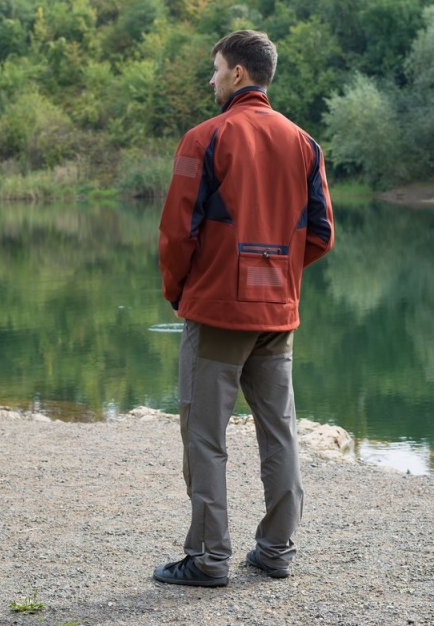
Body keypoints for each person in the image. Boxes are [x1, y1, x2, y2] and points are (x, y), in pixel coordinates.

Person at [154, 30, 334, 587]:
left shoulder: (204, 137)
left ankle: (210, 559)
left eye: (215, 70)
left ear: (237, 73)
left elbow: (176, 234)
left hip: (217, 315)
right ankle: (276, 551)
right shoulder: (305, 143)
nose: (211, 80)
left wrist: (180, 293)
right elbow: (322, 234)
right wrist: (275, 277)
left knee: (205, 436)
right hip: (277, 312)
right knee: (279, 432)